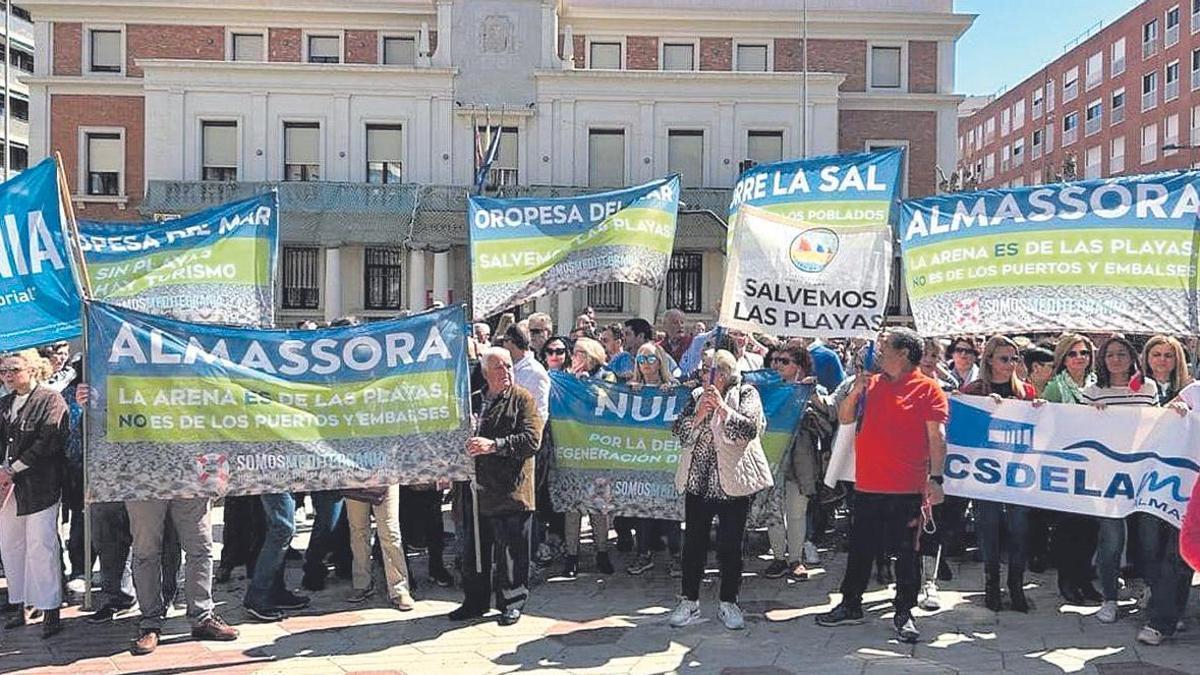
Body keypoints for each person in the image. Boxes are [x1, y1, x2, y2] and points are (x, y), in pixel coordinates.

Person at [817, 328, 948, 644]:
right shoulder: (870, 384)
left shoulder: (929, 389)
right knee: (860, 549)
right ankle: (851, 605)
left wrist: (937, 479)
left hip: (907, 489)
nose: (879, 350)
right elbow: (845, 418)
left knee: (907, 554)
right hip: (867, 485)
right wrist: (855, 391)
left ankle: (904, 612)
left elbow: (937, 438)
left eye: (885, 346)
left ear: (903, 353)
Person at [668, 349, 772, 630]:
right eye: (702, 370)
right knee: (693, 544)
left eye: (709, 370)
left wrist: (723, 410)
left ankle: (729, 602)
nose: (704, 375)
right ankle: (689, 600)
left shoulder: (747, 394)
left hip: (732, 484)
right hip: (698, 483)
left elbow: (749, 431)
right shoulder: (694, 398)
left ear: (724, 374)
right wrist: (699, 415)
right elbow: (679, 432)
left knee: (731, 546)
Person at [449, 348, 543, 626]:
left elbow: (531, 440)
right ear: (486, 372)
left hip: (510, 490)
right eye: (500, 368)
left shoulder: (522, 399)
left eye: (509, 367)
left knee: (511, 551)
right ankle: (475, 601)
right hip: (476, 489)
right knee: (474, 549)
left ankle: (512, 601)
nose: (507, 372)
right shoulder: (474, 401)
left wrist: (494, 445)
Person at [1081, 335, 1159, 624]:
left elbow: (1159, 425)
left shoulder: (1148, 388)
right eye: (1110, 354)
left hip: (1143, 474)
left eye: (1122, 354)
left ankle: (1151, 592)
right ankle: (1110, 597)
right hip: (1107, 478)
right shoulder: (1093, 391)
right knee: (1111, 539)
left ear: (1132, 357)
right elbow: (1078, 430)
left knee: (1149, 538)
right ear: (1102, 359)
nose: (1116, 359)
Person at [961, 336, 1040, 613]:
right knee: (989, 529)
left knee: (1020, 529)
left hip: (1018, 474)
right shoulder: (975, 390)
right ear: (990, 361)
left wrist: (1040, 412)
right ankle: (991, 584)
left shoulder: (1026, 392)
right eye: (1004, 359)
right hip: (986, 475)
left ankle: (1016, 585)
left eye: (1014, 359)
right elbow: (966, 432)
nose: (1010, 364)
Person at [0, 349, 68, 638]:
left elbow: (49, 440)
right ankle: (22, 603)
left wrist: (14, 467)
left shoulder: (50, 400)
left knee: (41, 545)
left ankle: (50, 607)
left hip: (40, 485)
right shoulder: (4, 403)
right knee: (11, 545)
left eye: (13, 369)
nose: (7, 376)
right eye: (3, 371)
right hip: (7, 487)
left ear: (32, 368)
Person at [764, 344, 834, 581]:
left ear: (800, 367)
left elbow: (830, 417)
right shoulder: (765, 390)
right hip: (772, 457)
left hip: (801, 458)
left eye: (785, 361)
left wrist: (811, 396)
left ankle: (795, 559)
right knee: (774, 512)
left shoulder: (812, 390)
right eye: (776, 360)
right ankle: (777, 558)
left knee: (796, 512)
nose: (778, 365)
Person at [1041, 333, 1101, 606]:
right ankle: (1067, 580)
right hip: (1066, 464)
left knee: (1090, 528)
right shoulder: (1055, 387)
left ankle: (1084, 579)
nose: (1079, 358)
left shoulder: (1099, 385)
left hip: (1097, 464)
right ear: (1063, 358)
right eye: (1073, 354)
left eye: (1084, 353)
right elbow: (1047, 424)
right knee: (1068, 527)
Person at [559, 337, 615, 578]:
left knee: (598, 505)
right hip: (573, 446)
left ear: (592, 354)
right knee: (572, 506)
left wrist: (586, 385)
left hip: (597, 449)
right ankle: (571, 555)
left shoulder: (606, 376)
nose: (576, 357)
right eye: (574, 353)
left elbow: (607, 402)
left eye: (581, 352)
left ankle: (601, 552)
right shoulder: (567, 376)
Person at [625, 342, 682, 577]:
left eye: (650, 359)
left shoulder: (673, 387)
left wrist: (674, 390)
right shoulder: (630, 388)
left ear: (660, 361)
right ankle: (644, 554)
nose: (645, 364)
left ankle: (677, 556)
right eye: (641, 359)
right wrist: (629, 392)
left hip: (666, 459)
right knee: (643, 511)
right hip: (642, 459)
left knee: (671, 512)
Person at [344, 484, 415, 611]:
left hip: (386, 476)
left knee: (390, 532)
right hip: (354, 477)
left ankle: (399, 589)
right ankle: (362, 583)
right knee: (358, 531)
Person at [612, 318, 680, 381]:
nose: (623, 338)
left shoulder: (663, 358)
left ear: (641, 336)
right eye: (623, 335)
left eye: (627, 334)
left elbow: (678, 379)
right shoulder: (619, 359)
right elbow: (604, 376)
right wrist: (619, 378)